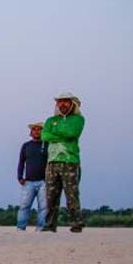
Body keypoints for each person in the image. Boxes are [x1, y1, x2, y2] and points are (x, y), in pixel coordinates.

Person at [40, 92, 85, 233]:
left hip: (70, 161)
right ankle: (49, 225)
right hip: (52, 161)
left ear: (72, 103)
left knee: (71, 193)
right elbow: (44, 135)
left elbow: (72, 133)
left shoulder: (78, 119)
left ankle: (77, 222)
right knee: (51, 195)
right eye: (59, 102)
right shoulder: (50, 120)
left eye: (65, 101)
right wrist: (61, 135)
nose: (62, 104)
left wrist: (55, 134)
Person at [16, 122, 49, 231]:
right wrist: (20, 177)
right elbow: (21, 162)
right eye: (34, 129)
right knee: (24, 206)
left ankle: (40, 229)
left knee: (43, 207)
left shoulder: (47, 145)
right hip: (28, 182)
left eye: (39, 129)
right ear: (30, 132)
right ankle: (20, 229)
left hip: (44, 182)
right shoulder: (26, 146)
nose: (36, 131)